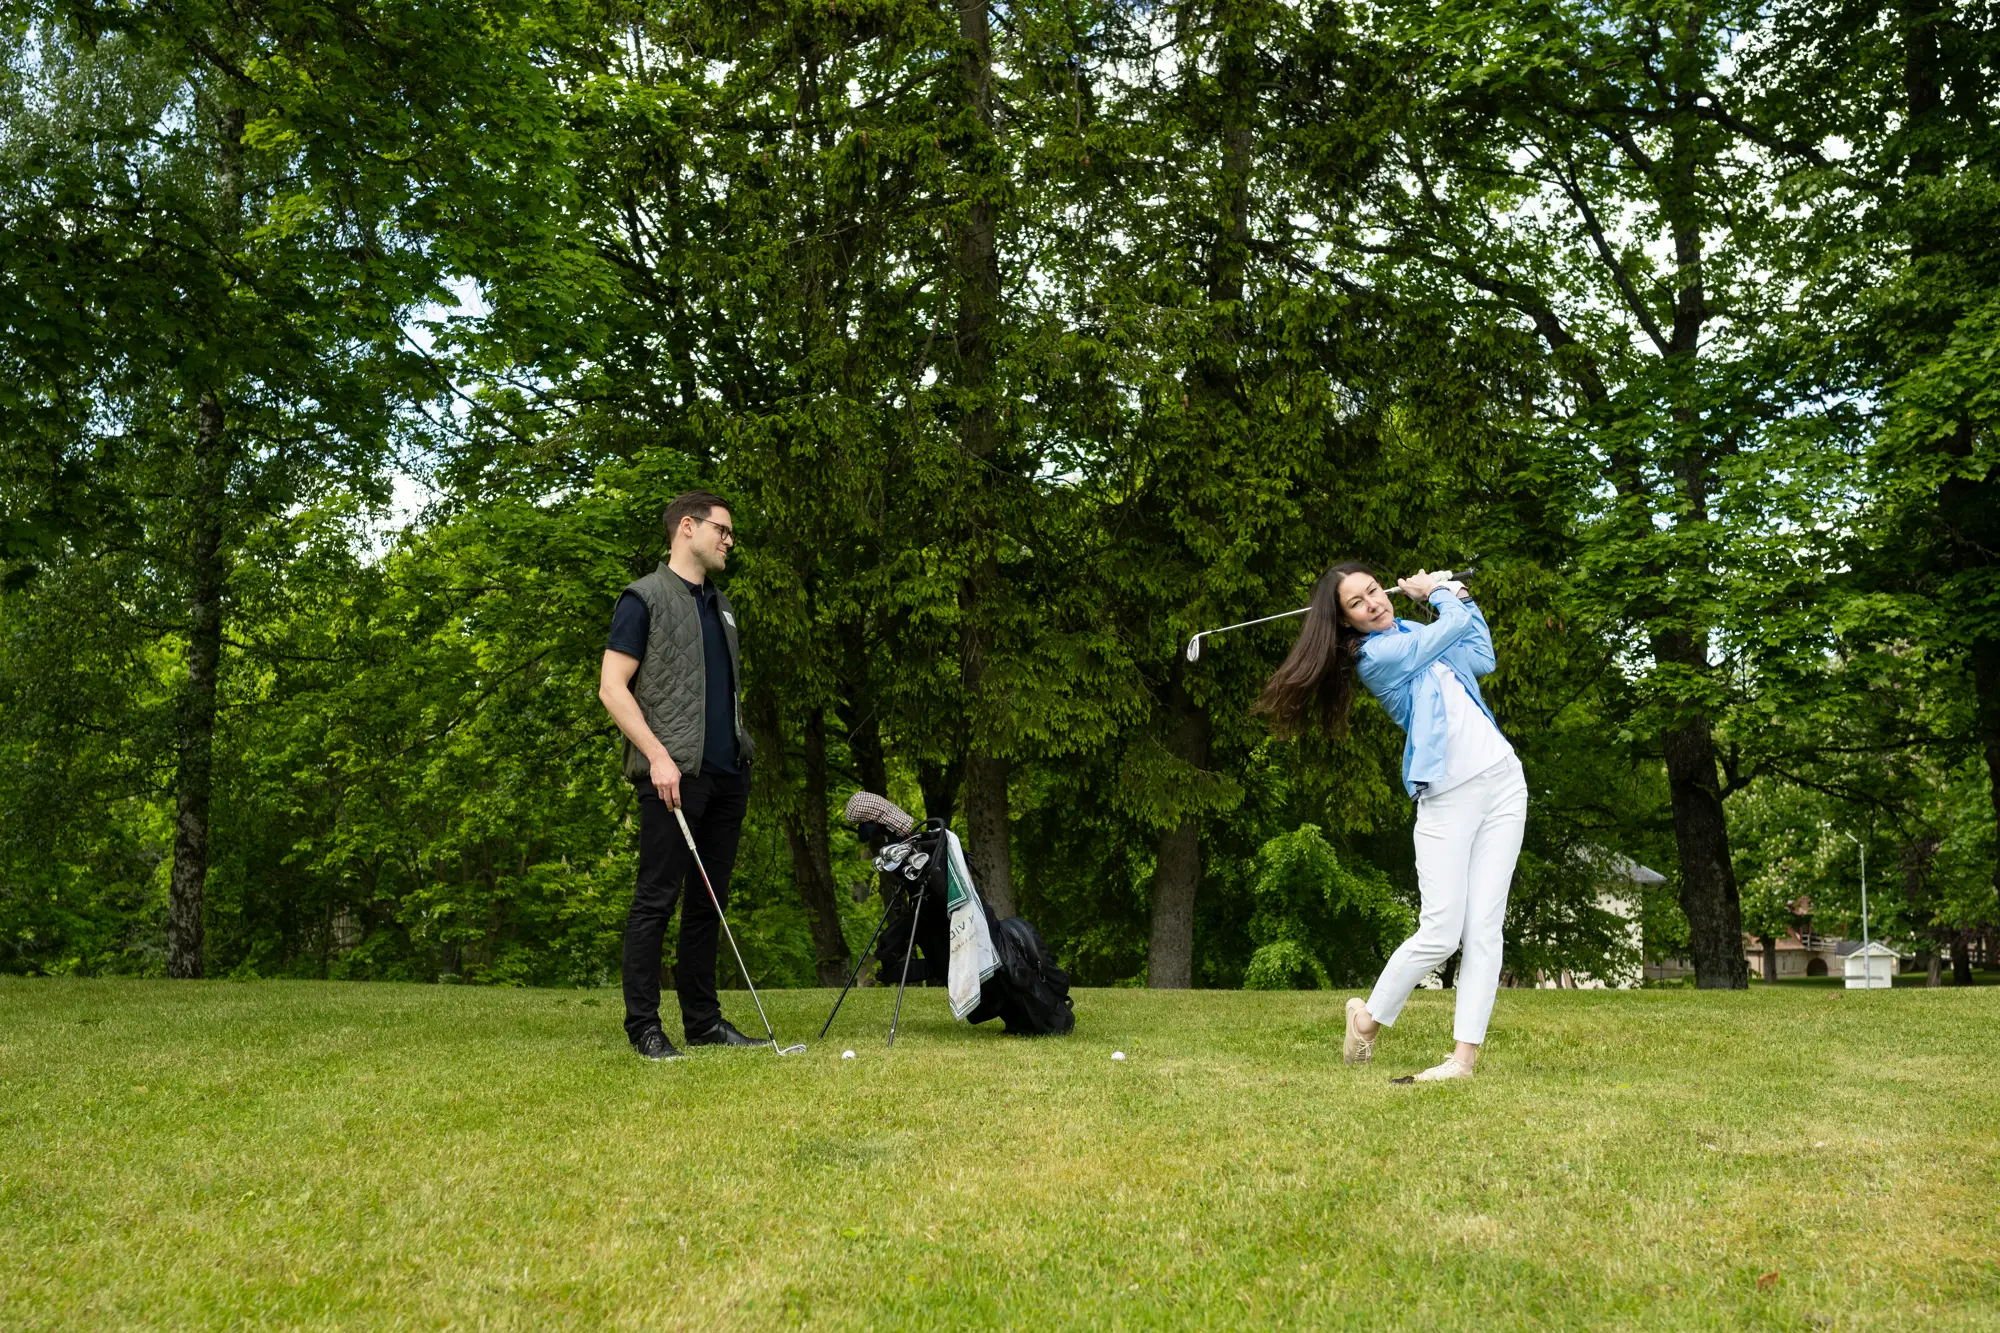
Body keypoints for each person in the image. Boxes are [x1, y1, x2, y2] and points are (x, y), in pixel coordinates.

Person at [1255, 562, 1527, 1083]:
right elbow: (1447, 631)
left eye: (1373, 590)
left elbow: (1481, 657)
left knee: (1485, 930)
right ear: (1346, 623)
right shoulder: (1377, 657)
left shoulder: (1418, 631)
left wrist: (1459, 594)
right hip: (1448, 796)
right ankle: (1366, 1019)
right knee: (1442, 931)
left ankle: (1462, 1061)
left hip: (1503, 780)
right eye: (1357, 603)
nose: (1373, 603)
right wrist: (1441, 592)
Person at [598, 491, 759, 1060]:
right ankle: (644, 1027)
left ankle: (703, 1021)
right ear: (686, 527)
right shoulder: (643, 598)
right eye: (723, 529)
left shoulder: (722, 606)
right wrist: (657, 755)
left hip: (726, 775)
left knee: (707, 903)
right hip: (672, 776)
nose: (729, 540)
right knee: (655, 901)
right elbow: (612, 688)